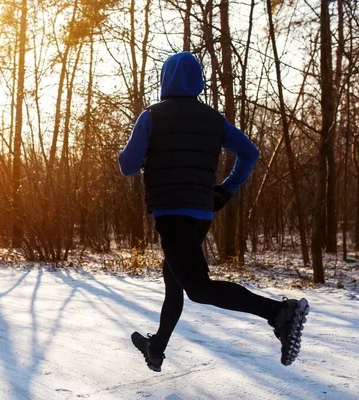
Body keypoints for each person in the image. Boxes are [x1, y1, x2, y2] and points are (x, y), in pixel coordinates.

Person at [119, 52, 309, 372]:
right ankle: (156, 348)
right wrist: (226, 189)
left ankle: (279, 313)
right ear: (198, 81)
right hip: (201, 215)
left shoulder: (151, 116)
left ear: (165, 80)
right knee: (175, 279)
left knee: (198, 289)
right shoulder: (213, 119)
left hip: (171, 214)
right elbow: (249, 152)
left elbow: (127, 167)